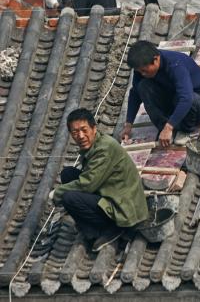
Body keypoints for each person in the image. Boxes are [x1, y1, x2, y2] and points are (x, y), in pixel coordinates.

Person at [50, 108, 148, 252]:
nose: (81, 136)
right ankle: (95, 227)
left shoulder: (104, 148)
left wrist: (56, 193)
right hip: (113, 194)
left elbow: (87, 184)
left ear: (94, 129)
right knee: (68, 174)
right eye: (75, 132)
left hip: (125, 208)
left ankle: (110, 230)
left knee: (68, 197)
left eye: (84, 130)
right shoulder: (95, 144)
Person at [121, 41, 200, 147]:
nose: (143, 74)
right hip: (172, 102)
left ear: (155, 60)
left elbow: (186, 98)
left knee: (189, 98)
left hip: (196, 108)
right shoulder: (142, 69)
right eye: (140, 71)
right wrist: (128, 124)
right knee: (143, 86)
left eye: (144, 71)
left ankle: (185, 130)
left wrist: (169, 127)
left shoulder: (175, 65)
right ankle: (164, 128)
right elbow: (135, 94)